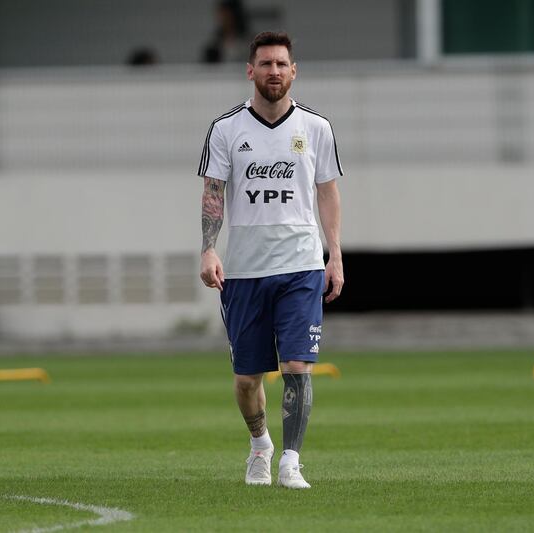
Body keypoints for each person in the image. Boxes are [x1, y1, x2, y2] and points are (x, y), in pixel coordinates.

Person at [197, 31, 344, 489]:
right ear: (250, 71)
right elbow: (213, 192)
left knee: (297, 366)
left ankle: (291, 462)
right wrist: (207, 248)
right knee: (247, 379)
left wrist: (333, 255)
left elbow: (327, 192)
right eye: (265, 64)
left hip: (301, 264)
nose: (274, 71)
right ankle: (261, 446)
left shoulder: (316, 128)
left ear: (293, 70)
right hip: (244, 270)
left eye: (281, 64)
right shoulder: (226, 129)